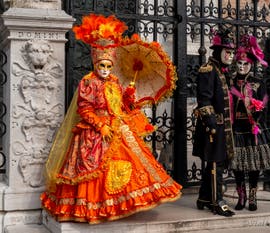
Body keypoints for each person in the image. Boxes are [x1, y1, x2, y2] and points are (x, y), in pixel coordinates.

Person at [41, 14, 182, 224]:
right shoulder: (88, 82)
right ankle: (93, 208)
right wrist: (100, 126)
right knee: (92, 168)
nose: (105, 70)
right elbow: (85, 109)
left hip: (119, 127)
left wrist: (128, 96)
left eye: (108, 66)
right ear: (95, 64)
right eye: (102, 66)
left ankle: (120, 204)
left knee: (134, 162)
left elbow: (121, 106)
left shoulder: (115, 81)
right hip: (94, 131)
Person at [229, 35, 270, 211]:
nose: (242, 67)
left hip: (253, 128)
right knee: (238, 164)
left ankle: (252, 196)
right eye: (240, 64)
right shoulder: (230, 82)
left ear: (251, 64)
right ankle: (241, 195)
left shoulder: (258, 83)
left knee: (254, 164)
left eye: (246, 64)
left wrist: (257, 117)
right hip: (236, 129)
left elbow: (265, 102)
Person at [192, 28, 236, 217]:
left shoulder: (223, 71)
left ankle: (203, 198)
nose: (231, 55)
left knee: (215, 163)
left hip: (223, 127)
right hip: (213, 127)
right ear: (218, 52)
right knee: (216, 163)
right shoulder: (208, 70)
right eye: (227, 52)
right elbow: (204, 100)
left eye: (232, 52)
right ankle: (217, 201)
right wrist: (211, 125)